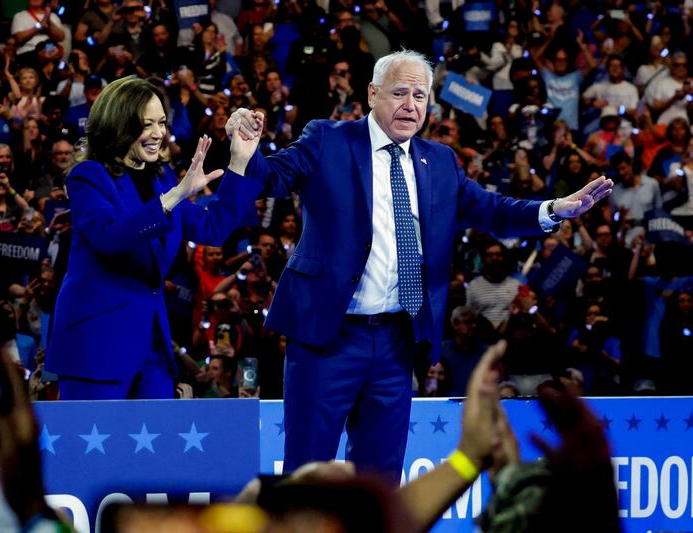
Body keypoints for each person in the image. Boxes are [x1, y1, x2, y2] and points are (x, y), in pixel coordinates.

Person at [227, 49, 614, 479]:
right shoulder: (328, 139)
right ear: (372, 94)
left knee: (381, 478)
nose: (411, 105)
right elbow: (273, 177)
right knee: (307, 473)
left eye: (420, 95)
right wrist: (246, 153)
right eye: (399, 93)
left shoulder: (441, 161)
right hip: (326, 338)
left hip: (396, 342)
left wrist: (554, 208)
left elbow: (494, 210)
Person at [45, 76, 261, 400]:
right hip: (96, 344)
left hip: (153, 349)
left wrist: (239, 161)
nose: (159, 133)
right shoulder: (88, 176)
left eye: (161, 122)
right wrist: (174, 197)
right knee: (97, 449)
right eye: (146, 124)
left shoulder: (163, 178)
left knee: (157, 448)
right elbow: (110, 237)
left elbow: (211, 228)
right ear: (118, 124)